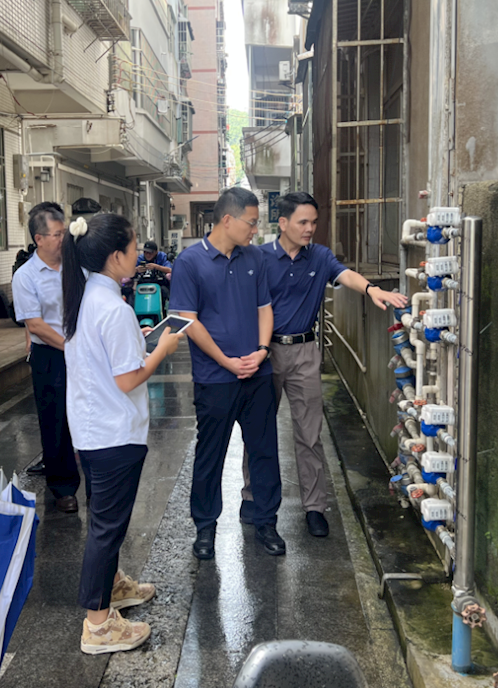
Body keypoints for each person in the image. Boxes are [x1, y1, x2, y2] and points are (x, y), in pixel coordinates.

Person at [242, 192, 409, 537]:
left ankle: (315, 507)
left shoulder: (319, 256)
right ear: (283, 223)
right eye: (303, 222)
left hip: (305, 351)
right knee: (259, 431)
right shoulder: (259, 257)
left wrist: (372, 290)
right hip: (266, 353)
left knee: (309, 433)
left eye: (314, 222)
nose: (310, 228)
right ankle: (252, 496)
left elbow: (345, 275)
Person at [62, 213, 183, 654]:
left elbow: (109, 361)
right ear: (116, 256)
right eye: (133, 247)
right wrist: (162, 348)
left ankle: (111, 586)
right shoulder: (112, 308)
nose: (138, 254)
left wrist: (141, 339)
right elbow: (128, 379)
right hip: (113, 433)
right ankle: (97, 626)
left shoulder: (86, 298)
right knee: (107, 529)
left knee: (103, 521)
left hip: (93, 429)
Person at [169, 187, 285, 560]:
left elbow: (265, 308)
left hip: (257, 375)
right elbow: (188, 320)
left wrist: (262, 351)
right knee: (210, 455)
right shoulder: (190, 262)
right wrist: (227, 361)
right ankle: (205, 528)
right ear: (227, 219)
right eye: (251, 222)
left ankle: (266, 521)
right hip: (215, 378)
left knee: (264, 451)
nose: (255, 230)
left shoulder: (255, 258)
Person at [11, 203, 84, 512]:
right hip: (51, 354)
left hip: (81, 347)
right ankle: (63, 487)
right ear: (39, 239)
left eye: (64, 233)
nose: (62, 239)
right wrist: (71, 348)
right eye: (57, 234)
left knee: (87, 411)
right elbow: (36, 324)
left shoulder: (77, 266)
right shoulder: (26, 276)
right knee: (55, 420)